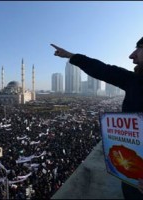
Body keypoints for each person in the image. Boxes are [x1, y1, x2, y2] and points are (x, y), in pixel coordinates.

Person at [51, 37, 143, 199]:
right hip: (132, 176)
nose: (131, 55)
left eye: (139, 48)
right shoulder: (134, 81)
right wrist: (71, 56)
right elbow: (103, 70)